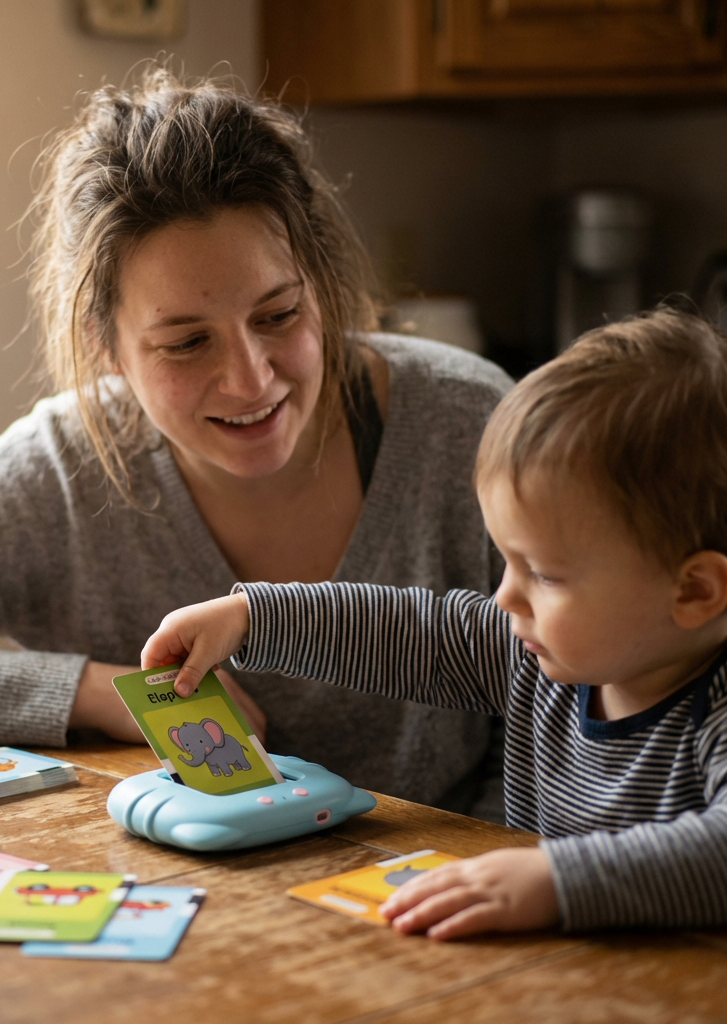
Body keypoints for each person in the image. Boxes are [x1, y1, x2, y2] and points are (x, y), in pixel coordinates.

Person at [0, 66, 511, 819]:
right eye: (185, 344)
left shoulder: (465, 423)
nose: (250, 381)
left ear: (320, 282)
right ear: (106, 346)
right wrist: (98, 692)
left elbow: (592, 709)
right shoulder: (64, 467)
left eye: (278, 316)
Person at [142, 308, 727, 937]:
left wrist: (556, 881)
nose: (505, 597)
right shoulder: (532, 653)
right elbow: (408, 631)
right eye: (507, 561)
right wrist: (253, 617)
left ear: (694, 591)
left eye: (546, 575)